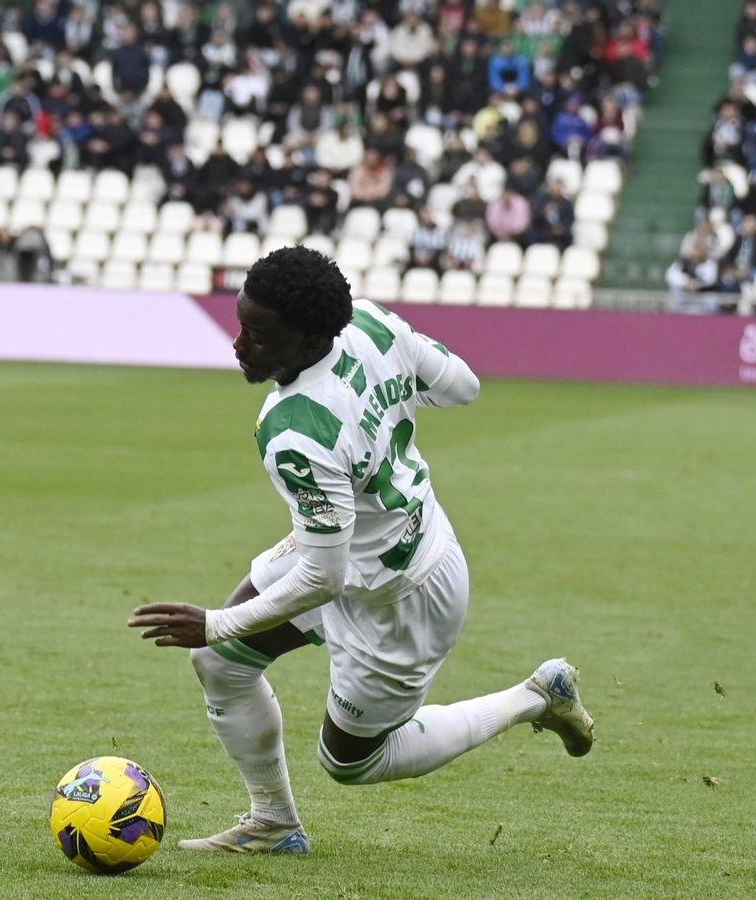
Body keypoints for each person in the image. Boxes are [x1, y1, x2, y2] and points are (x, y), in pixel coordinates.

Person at [127, 247, 595, 854]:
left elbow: (322, 580)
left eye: (260, 336)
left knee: (350, 762)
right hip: (363, 544)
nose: (240, 344)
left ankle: (535, 696)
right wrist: (382, 404)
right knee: (221, 664)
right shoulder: (373, 322)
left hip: (402, 596)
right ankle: (273, 824)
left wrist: (215, 622)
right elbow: (463, 387)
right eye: (242, 325)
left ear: (309, 338)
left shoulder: (295, 429)